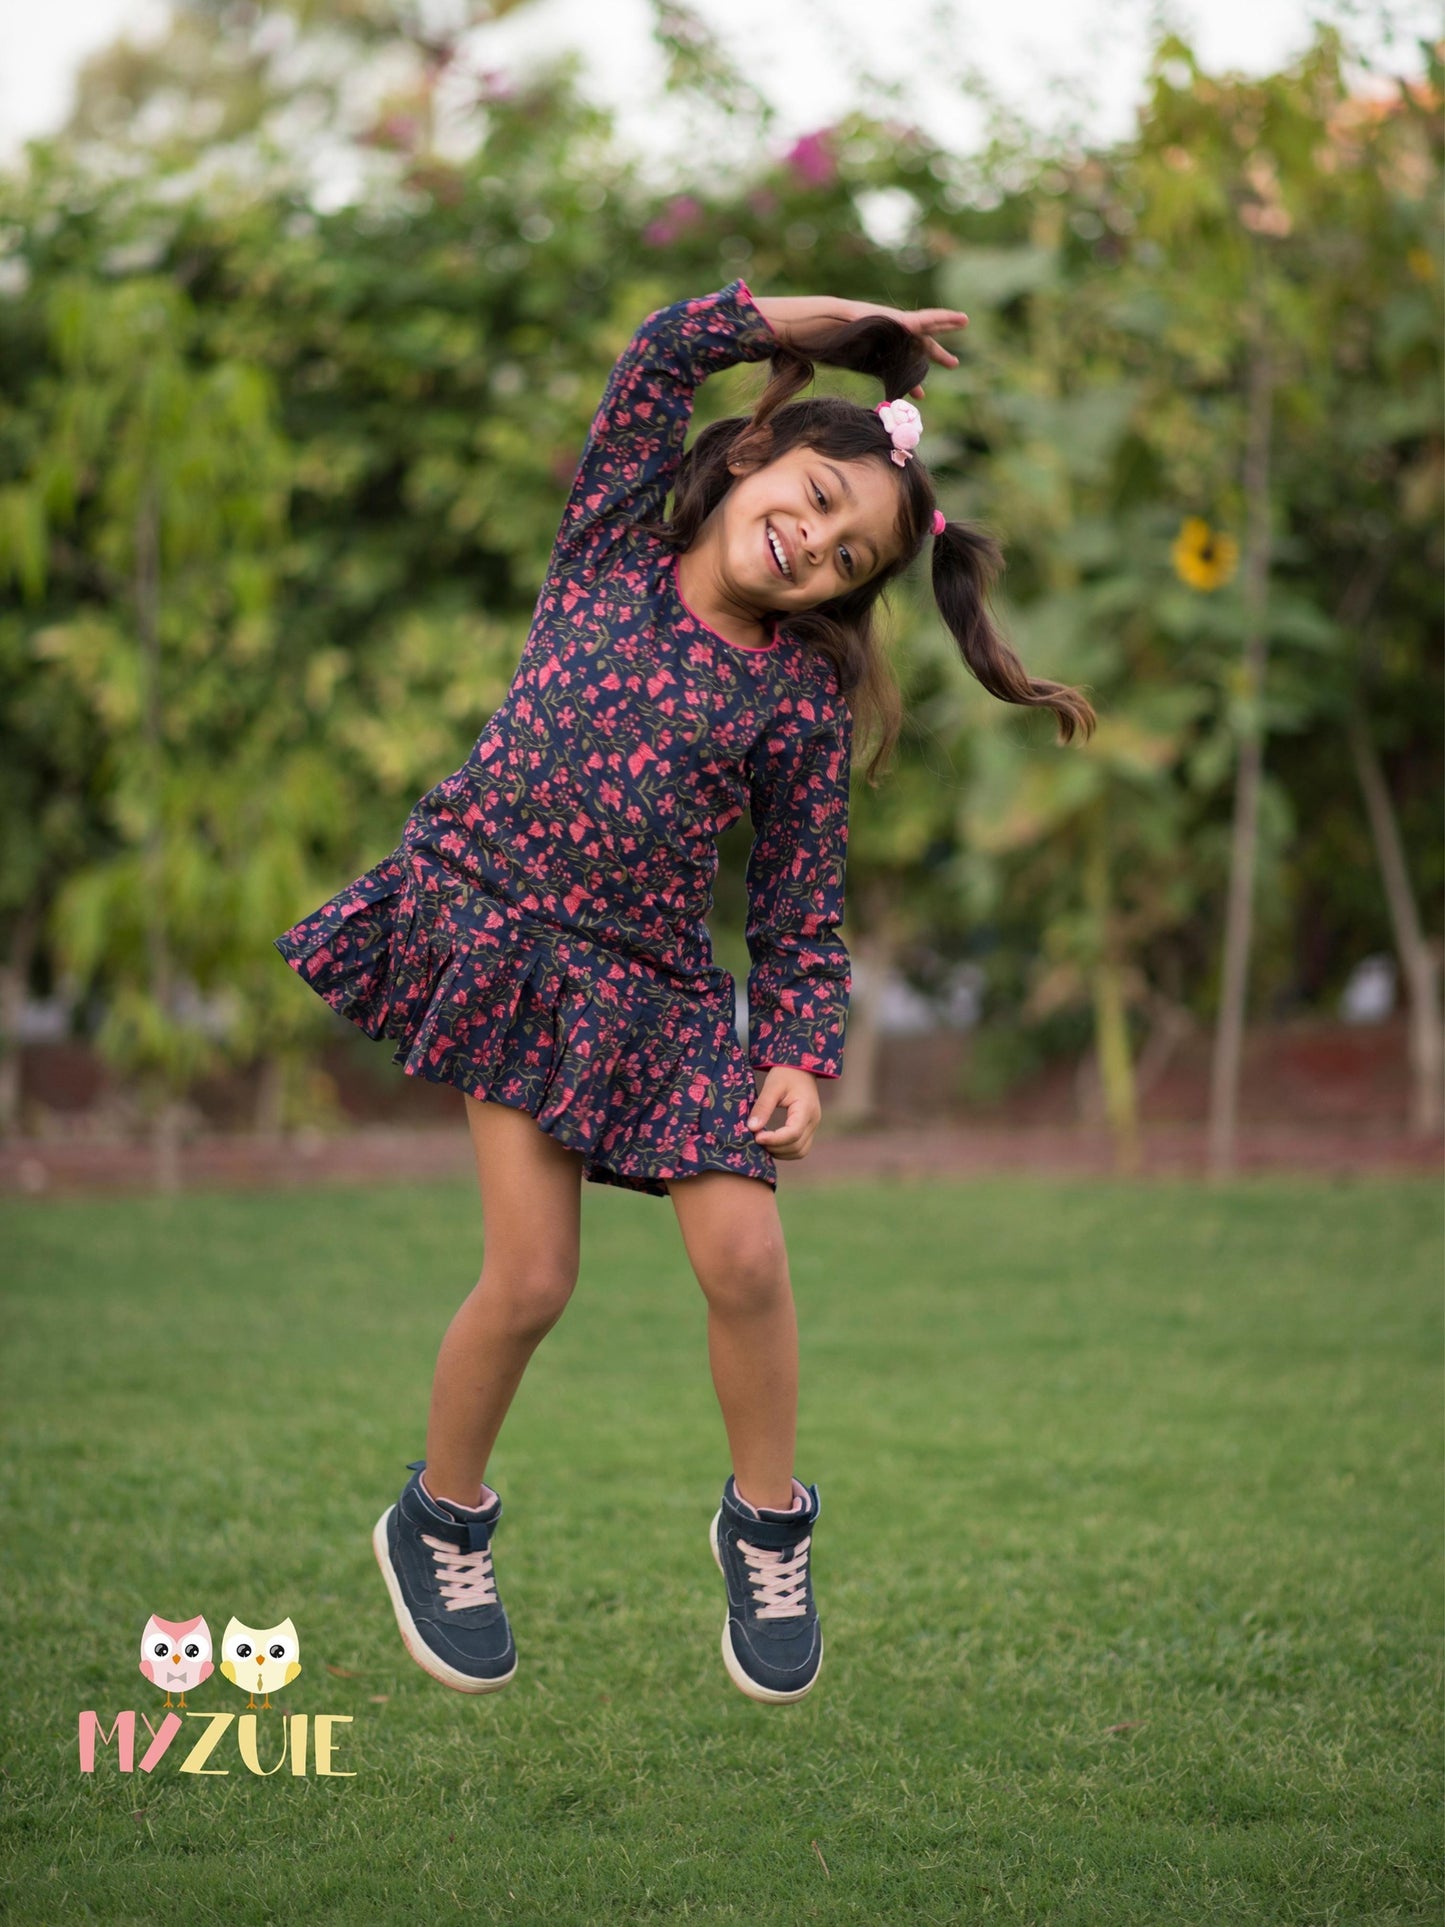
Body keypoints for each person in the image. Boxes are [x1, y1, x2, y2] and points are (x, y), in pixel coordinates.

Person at [273, 277, 1095, 1707]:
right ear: (746, 462)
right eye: (818, 494)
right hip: (505, 940)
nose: (818, 540)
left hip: (653, 1002)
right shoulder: (605, 549)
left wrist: (799, 1054)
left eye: (848, 554)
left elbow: (795, 905)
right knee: (530, 1279)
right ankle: (440, 1520)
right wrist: (819, 323)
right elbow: (662, 349)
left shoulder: (793, 701)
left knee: (749, 1263)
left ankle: (766, 1527)